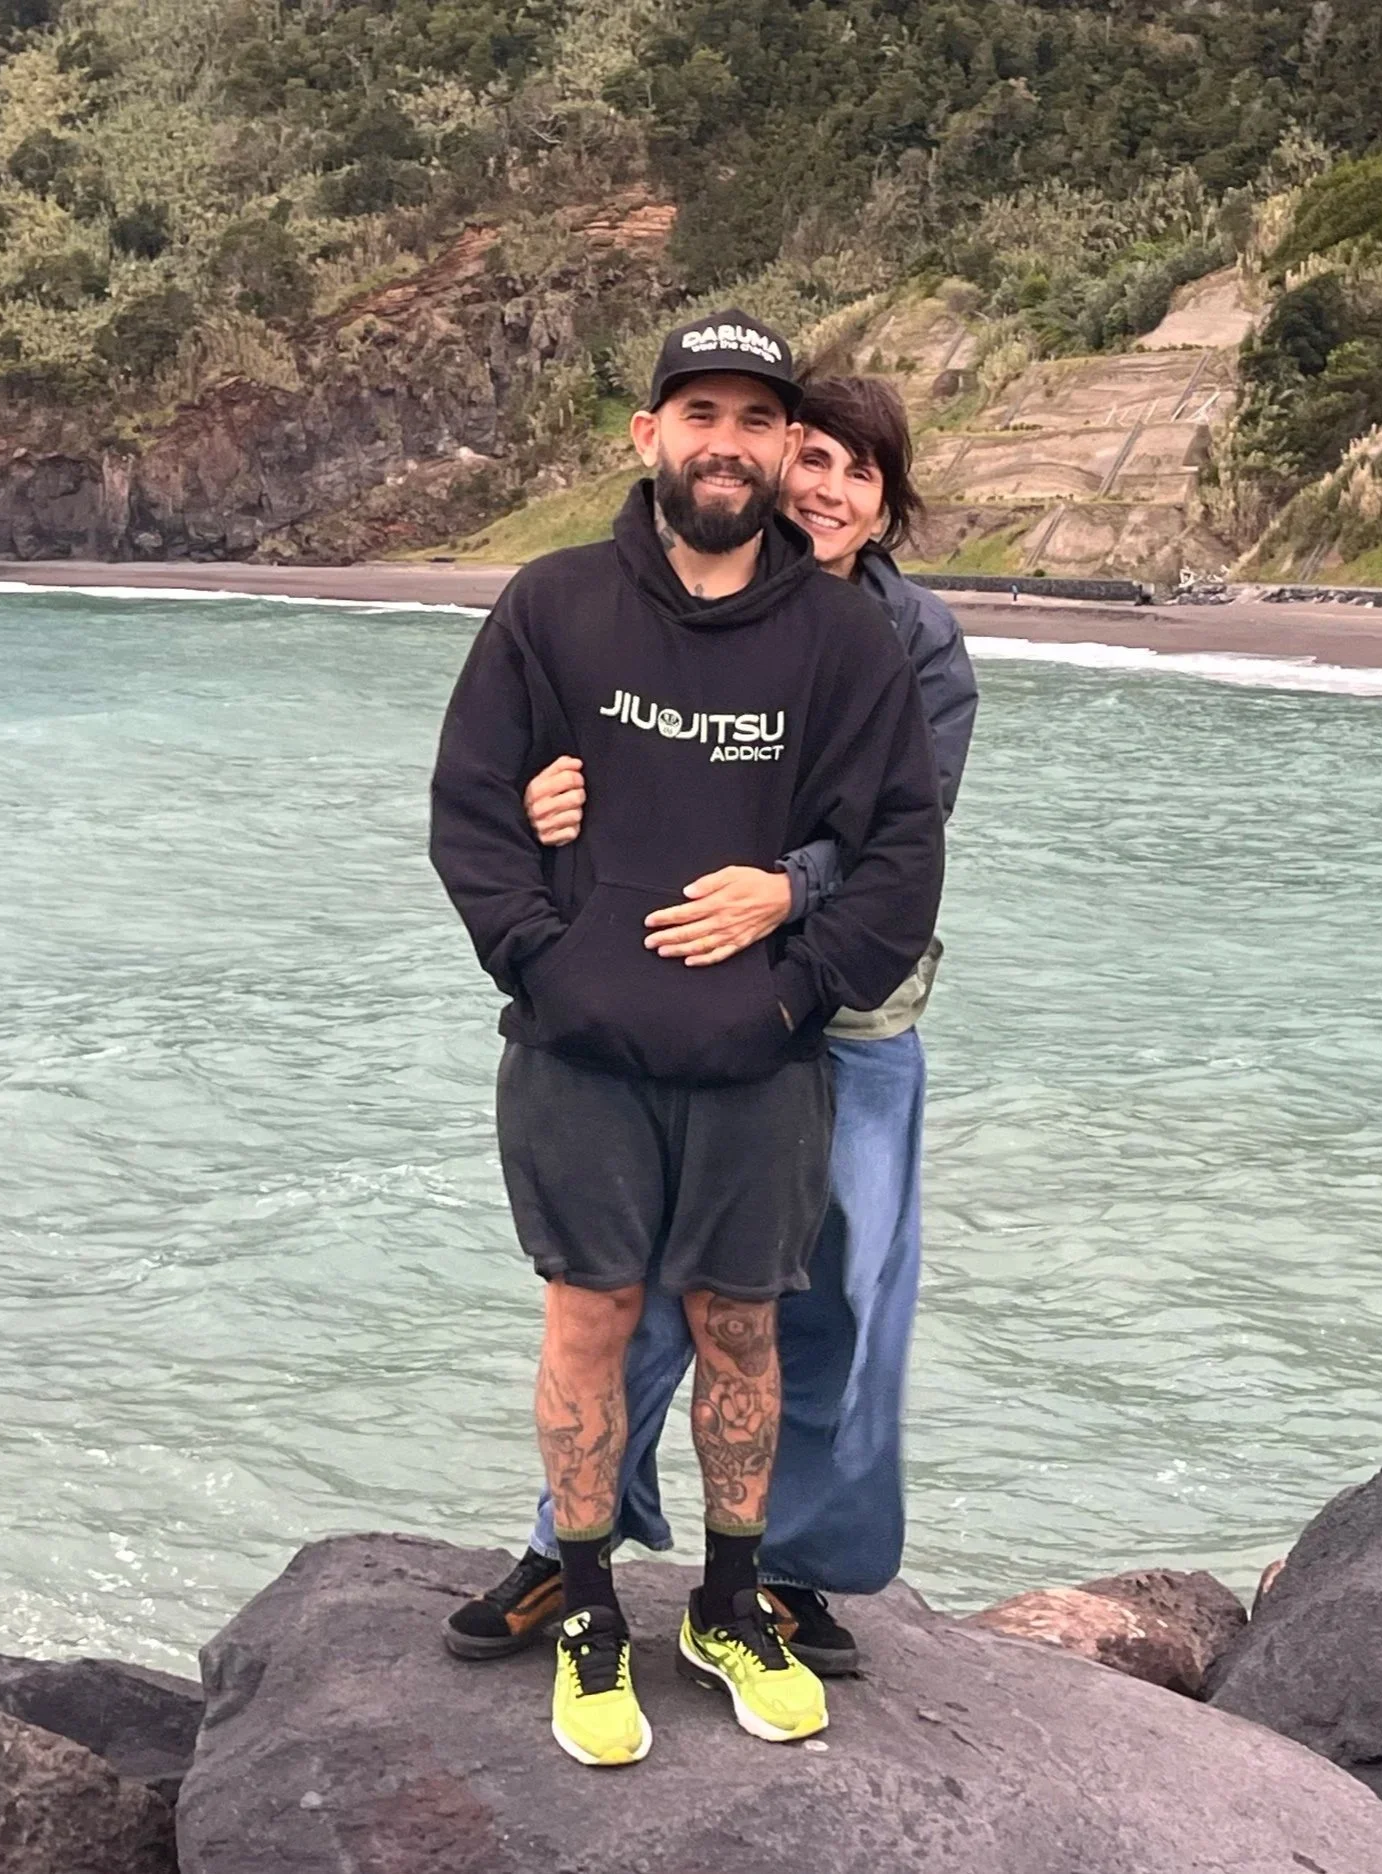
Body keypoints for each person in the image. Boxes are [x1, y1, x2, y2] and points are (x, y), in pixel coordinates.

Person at [429, 315, 946, 1768]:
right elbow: (471, 806)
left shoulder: (853, 640)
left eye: (755, 417)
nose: (727, 439)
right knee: (588, 1319)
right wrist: (546, 957)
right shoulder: (550, 605)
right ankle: (587, 1600)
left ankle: (733, 1598)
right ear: (645, 434)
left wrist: (792, 987)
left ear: (785, 451)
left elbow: (901, 847)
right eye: (697, 410)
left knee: (744, 1323)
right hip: (577, 1056)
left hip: (764, 1062)